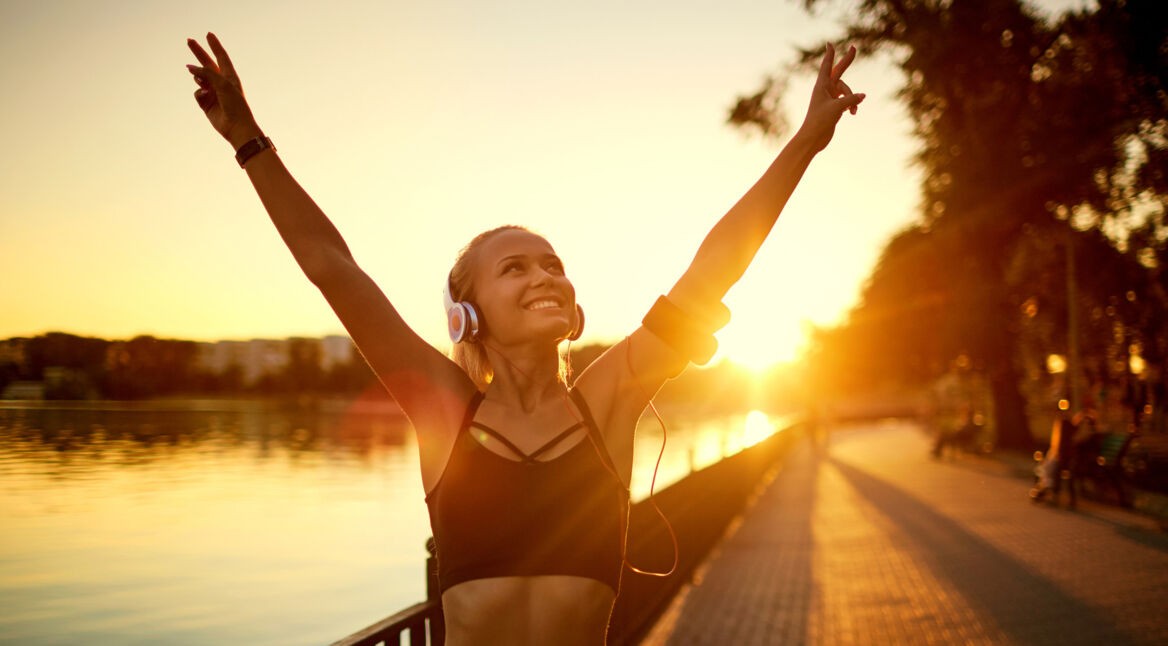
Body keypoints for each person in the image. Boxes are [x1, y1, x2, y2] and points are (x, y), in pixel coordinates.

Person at [186, 32, 864, 646]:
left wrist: (804, 141)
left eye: (554, 266)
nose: (547, 277)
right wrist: (249, 141)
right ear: (466, 314)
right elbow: (333, 269)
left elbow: (713, 270)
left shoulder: (608, 400)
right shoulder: (446, 412)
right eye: (514, 268)